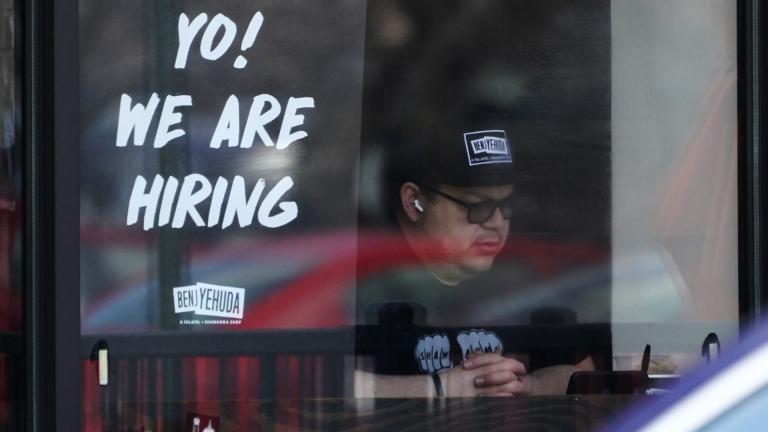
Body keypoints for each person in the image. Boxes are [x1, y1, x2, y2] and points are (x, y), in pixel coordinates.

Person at [355, 123, 595, 397]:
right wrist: (439, 388)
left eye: (507, 205)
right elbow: (317, 381)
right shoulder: (363, 284)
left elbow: (587, 378)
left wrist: (522, 385)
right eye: (477, 207)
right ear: (414, 202)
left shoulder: (527, 286)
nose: (496, 221)